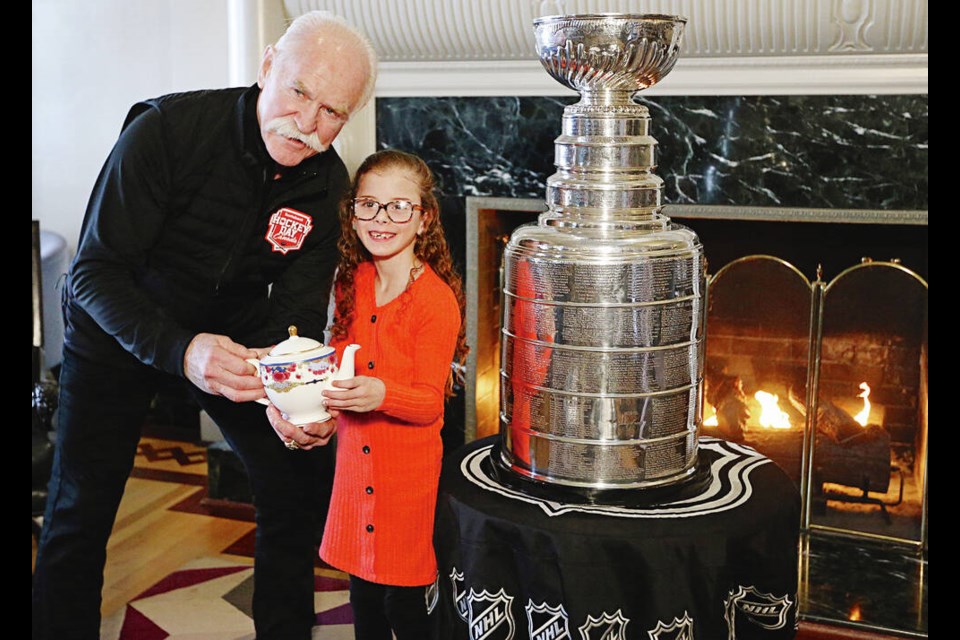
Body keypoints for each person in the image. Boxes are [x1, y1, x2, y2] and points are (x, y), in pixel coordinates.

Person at [31, 11, 377, 640]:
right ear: (268, 66)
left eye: (333, 112)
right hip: (116, 328)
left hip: (231, 338)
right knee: (80, 506)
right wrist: (180, 349)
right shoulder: (166, 130)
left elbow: (293, 314)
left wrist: (291, 395)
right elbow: (94, 273)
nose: (308, 124)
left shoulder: (326, 186)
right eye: (300, 92)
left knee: (294, 477)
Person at [267, 149, 469, 640]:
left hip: (408, 491)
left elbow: (428, 403)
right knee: (365, 610)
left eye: (400, 207)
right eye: (369, 205)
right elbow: (339, 368)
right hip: (355, 481)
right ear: (352, 212)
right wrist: (316, 413)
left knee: (410, 614)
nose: (382, 219)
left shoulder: (435, 302)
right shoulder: (351, 283)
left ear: (424, 220)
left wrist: (380, 393)